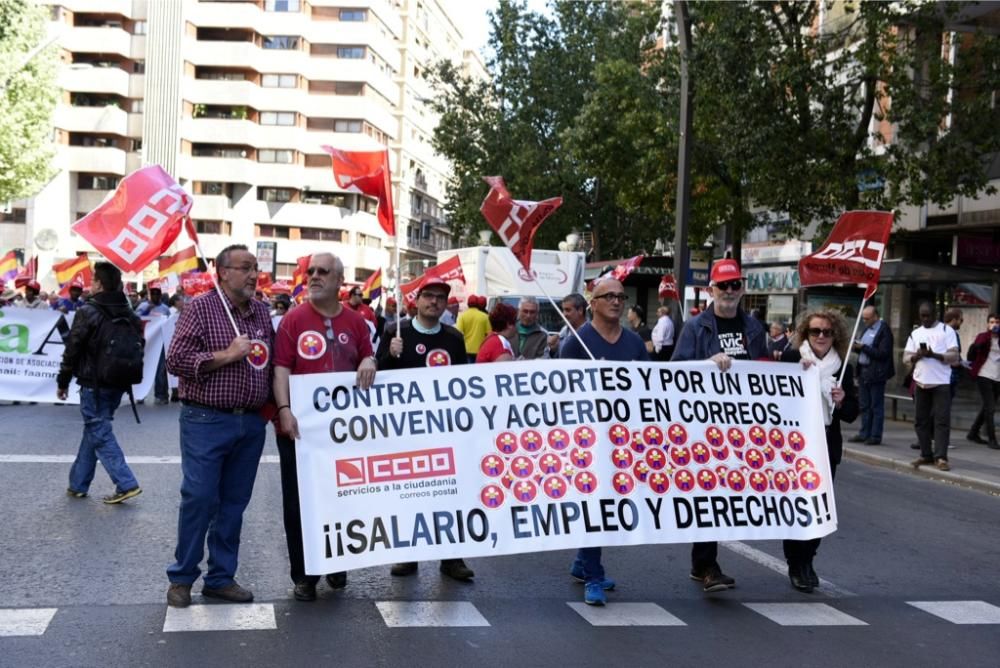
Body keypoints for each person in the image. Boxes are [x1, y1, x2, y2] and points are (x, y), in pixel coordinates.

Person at [164, 244, 274, 608]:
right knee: (199, 498)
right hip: (206, 419)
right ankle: (182, 577)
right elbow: (176, 360)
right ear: (222, 271)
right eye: (244, 268)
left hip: (250, 422)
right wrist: (227, 355)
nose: (253, 275)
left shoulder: (261, 311)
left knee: (233, 503)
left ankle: (221, 578)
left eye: (255, 268)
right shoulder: (201, 308)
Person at [273, 253, 377, 601]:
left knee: (341, 499)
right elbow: (282, 369)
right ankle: (304, 575)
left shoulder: (357, 322)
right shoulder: (293, 319)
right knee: (299, 503)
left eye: (323, 271)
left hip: (344, 432)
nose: (314, 276)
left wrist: (369, 358)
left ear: (338, 281)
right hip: (299, 431)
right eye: (311, 271)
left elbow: (369, 355)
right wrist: (284, 409)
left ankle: (337, 562)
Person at [672, 258, 767, 592]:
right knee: (709, 492)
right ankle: (708, 564)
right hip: (705, 424)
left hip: (741, 425)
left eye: (734, 285)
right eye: (723, 285)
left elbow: (766, 371)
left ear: (742, 288)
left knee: (725, 494)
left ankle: (702, 564)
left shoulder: (754, 327)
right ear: (710, 289)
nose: (729, 291)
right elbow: (676, 371)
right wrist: (705, 364)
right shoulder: (697, 328)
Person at [375, 275, 474, 581]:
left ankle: (451, 557)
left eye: (440, 298)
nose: (434, 302)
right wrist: (388, 355)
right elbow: (376, 376)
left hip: (443, 430)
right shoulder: (395, 330)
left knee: (448, 494)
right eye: (428, 296)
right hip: (405, 431)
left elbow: (464, 384)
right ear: (416, 301)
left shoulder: (454, 338)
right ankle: (407, 554)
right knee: (407, 494)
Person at [560, 278, 648, 606]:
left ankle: (583, 563)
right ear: (592, 303)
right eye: (608, 296)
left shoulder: (635, 343)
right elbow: (560, 395)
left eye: (620, 296)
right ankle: (593, 576)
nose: (616, 301)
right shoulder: (576, 344)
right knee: (594, 504)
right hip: (588, 441)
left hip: (623, 440)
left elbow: (651, 387)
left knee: (609, 502)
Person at [780, 311, 858, 592]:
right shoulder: (791, 360)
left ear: (835, 334)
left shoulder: (844, 366)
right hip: (796, 446)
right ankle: (795, 562)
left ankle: (808, 560)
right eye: (815, 331)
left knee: (819, 507)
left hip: (826, 444)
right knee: (799, 505)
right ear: (805, 334)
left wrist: (842, 399)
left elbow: (851, 414)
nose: (821, 336)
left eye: (827, 331)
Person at [57, 261, 143, 504]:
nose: (91, 284)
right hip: (118, 382)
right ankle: (78, 484)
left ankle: (126, 482)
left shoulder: (88, 311)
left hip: (93, 382)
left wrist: (63, 381)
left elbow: (72, 349)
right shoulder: (130, 313)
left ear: (100, 284)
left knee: (98, 430)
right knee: (96, 428)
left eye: (93, 280)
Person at [903, 301, 961, 471]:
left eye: (928, 315)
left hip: (941, 382)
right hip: (921, 382)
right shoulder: (916, 333)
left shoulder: (946, 330)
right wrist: (917, 357)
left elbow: (954, 356)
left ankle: (941, 457)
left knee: (941, 421)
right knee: (921, 421)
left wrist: (933, 355)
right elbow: (906, 358)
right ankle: (926, 454)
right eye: (923, 316)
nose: (925, 319)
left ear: (935, 314)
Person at [848, 306, 895, 446]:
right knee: (864, 405)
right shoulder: (867, 329)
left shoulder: (883, 330)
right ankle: (864, 433)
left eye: (867, 318)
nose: (865, 321)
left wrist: (863, 348)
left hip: (876, 373)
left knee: (876, 406)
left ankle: (875, 435)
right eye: (863, 318)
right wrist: (857, 348)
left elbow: (883, 354)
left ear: (875, 316)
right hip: (864, 372)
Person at [967, 313, 1000, 449]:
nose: (995, 324)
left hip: (997, 377)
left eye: (997, 322)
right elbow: (973, 353)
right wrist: (987, 337)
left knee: (987, 406)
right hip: (984, 375)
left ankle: (973, 433)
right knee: (990, 408)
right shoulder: (983, 337)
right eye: (992, 322)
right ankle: (992, 439)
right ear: (988, 324)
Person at [137, 287, 172, 405]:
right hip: (146, 343)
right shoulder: (142, 306)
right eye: (153, 294)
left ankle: (161, 395)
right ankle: (140, 394)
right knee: (143, 368)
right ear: (150, 295)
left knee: (161, 369)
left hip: (160, 343)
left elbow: (168, 323)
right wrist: (147, 310)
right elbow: (137, 319)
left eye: (157, 294)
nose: (155, 296)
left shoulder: (165, 309)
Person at [457, 295, 491, 363]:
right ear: (477, 304)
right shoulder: (485, 316)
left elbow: (458, 333)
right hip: (481, 349)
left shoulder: (462, 316)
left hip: (467, 349)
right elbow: (489, 334)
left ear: (468, 304)